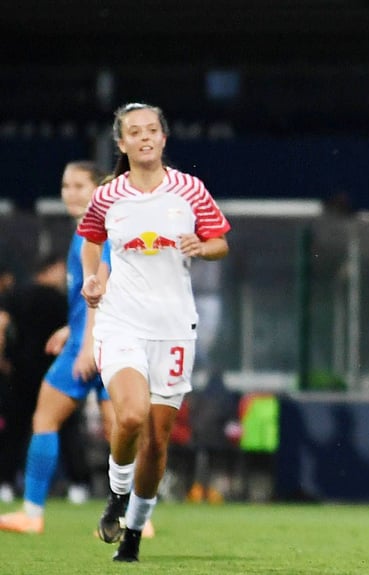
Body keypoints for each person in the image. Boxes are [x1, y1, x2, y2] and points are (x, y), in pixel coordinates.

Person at [78, 102, 231, 562]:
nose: (144, 137)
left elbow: (221, 242)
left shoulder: (190, 189)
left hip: (174, 328)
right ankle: (116, 495)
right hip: (122, 322)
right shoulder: (108, 195)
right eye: (134, 132)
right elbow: (91, 241)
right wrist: (93, 278)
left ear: (163, 138)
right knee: (129, 417)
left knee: (157, 440)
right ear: (121, 143)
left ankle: (133, 534)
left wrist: (203, 247)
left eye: (151, 130)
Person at [0, 162, 118, 534]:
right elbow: (100, 293)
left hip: (94, 344)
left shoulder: (94, 234)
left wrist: (87, 343)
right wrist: (72, 327)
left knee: (46, 419)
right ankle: (133, 519)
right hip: (106, 339)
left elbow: (101, 290)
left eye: (80, 185)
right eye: (66, 186)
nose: (70, 193)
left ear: (98, 188)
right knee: (118, 431)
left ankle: (33, 513)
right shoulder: (94, 231)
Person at [0, 255, 68, 505]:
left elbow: (2, 324)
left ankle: (6, 483)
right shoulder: (60, 299)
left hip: (19, 372)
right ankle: (77, 485)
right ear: (51, 269)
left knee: (15, 431)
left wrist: (3, 359)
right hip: (53, 371)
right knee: (62, 429)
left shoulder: (16, 294)